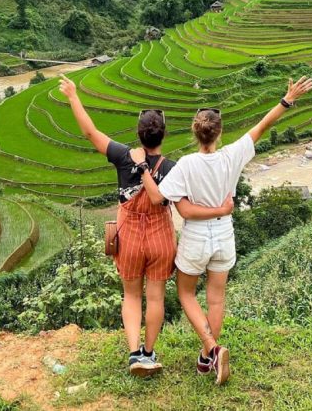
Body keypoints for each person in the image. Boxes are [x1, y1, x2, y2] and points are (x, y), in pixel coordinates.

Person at [132, 76, 312, 385]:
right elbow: (263, 126)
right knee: (216, 298)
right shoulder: (232, 155)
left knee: (186, 292)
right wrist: (287, 99)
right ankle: (206, 360)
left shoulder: (186, 164)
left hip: (196, 237)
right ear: (219, 132)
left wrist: (143, 167)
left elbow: (159, 198)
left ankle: (212, 349)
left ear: (195, 131)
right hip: (224, 235)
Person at [58, 77, 233, 377]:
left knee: (131, 295)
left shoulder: (124, 157)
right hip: (160, 238)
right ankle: (150, 352)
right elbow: (187, 203)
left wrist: (73, 96)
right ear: (163, 135)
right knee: (155, 296)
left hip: (129, 237)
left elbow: (89, 131)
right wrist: (221, 209)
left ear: (139, 134)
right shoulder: (173, 168)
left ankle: (134, 354)